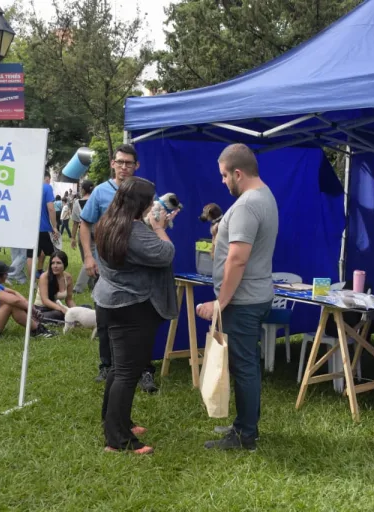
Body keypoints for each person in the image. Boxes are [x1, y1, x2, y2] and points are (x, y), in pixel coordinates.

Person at [196, 143, 278, 452]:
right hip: (252, 297)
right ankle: (245, 424)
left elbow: (237, 259)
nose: (222, 181)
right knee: (247, 365)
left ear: (238, 173)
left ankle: (245, 436)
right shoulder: (264, 196)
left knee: (244, 367)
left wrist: (221, 302)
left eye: (224, 175)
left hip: (243, 301)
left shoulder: (246, 205)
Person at [95, 177, 177, 455]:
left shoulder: (108, 222)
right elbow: (165, 253)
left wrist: (152, 226)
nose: (154, 204)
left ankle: (116, 422)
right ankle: (118, 440)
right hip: (133, 306)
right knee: (128, 372)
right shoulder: (134, 230)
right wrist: (159, 228)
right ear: (140, 203)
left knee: (120, 368)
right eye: (150, 200)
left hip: (112, 302)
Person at [79, 144, 159, 392]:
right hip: (106, 267)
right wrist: (88, 258)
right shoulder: (101, 192)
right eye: (120, 162)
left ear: (136, 166)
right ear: (113, 163)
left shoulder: (143, 192)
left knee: (141, 322)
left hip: (135, 270)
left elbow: (151, 226)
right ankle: (107, 366)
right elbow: (85, 224)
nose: (124, 167)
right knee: (105, 319)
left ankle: (145, 370)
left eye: (129, 163)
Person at [0, 260, 56, 340]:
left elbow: (13, 293)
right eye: (5, 273)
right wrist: (33, 310)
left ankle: (37, 327)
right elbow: (14, 301)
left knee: (10, 301)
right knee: (10, 304)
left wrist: (29, 306)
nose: (7, 275)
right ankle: (37, 330)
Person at [27, 171, 60, 280]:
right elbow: (51, 208)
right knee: (54, 253)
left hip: (30, 227)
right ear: (47, 178)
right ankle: (50, 277)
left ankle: (33, 281)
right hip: (44, 227)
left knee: (31, 255)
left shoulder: (30, 187)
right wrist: (54, 226)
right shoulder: (47, 188)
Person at [33, 250, 77, 324]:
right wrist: (61, 308)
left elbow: (69, 300)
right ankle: (38, 319)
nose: (55, 266)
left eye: (58, 263)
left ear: (65, 264)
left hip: (56, 308)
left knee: (86, 307)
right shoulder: (44, 276)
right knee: (60, 313)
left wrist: (77, 311)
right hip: (42, 309)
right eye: (53, 263)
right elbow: (45, 301)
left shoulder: (68, 277)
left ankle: (67, 319)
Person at [71, 179, 96, 294]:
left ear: (83, 189)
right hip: (96, 231)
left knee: (87, 259)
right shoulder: (97, 200)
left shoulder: (77, 203)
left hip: (83, 232)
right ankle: (92, 284)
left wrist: (72, 238)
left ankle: (78, 288)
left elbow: (75, 222)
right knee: (89, 259)